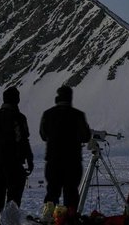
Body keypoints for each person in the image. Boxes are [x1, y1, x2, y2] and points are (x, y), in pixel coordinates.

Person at [39, 85, 91, 222]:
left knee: (52, 192)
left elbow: (43, 135)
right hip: (72, 162)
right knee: (71, 193)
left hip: (53, 161)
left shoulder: (48, 114)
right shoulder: (78, 115)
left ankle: (47, 217)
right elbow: (86, 136)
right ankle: (70, 218)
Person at [0, 86, 34, 225]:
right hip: (14, 164)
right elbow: (23, 140)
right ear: (16, 100)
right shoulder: (18, 117)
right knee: (13, 199)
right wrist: (29, 159)